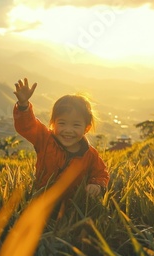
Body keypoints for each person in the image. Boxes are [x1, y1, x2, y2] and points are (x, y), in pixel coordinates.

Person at [12, 78, 109, 218]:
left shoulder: (90, 155)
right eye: (62, 123)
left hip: (72, 208)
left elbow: (101, 173)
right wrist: (23, 105)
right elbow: (27, 126)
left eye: (76, 125)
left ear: (86, 128)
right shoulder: (45, 140)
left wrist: (96, 185)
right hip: (40, 201)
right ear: (53, 123)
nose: (68, 130)